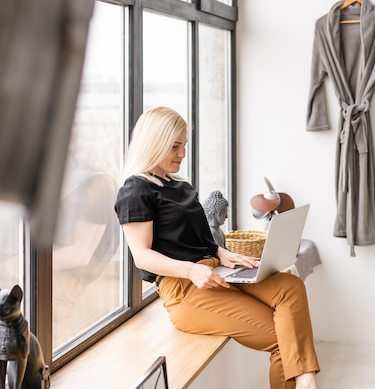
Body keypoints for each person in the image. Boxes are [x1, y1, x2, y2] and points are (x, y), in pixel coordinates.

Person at [114, 107, 320, 389]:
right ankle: (306, 381)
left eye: (184, 145)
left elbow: (199, 237)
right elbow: (143, 256)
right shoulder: (135, 190)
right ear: (153, 141)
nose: (182, 153)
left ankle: (305, 377)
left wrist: (224, 253)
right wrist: (192, 271)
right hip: (184, 289)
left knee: (289, 285)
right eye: (174, 146)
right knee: (282, 339)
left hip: (218, 272)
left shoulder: (180, 186)